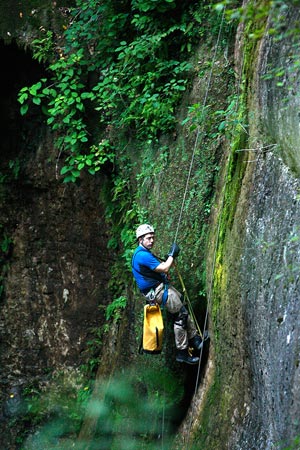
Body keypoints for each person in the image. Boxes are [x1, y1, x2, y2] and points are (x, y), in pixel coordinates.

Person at [131, 223, 203, 365]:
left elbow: (155, 270)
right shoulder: (142, 256)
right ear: (141, 240)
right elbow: (164, 268)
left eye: (153, 238)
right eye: (148, 238)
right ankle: (183, 352)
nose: (152, 240)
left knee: (182, 305)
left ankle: (196, 339)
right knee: (180, 315)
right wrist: (172, 255)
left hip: (159, 288)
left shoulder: (142, 253)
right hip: (157, 292)